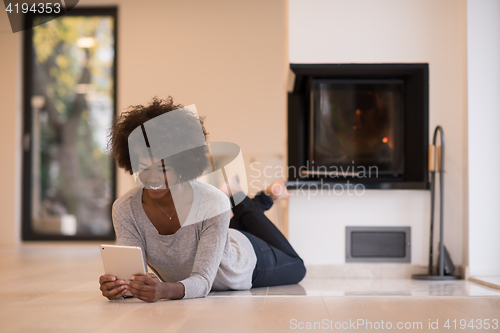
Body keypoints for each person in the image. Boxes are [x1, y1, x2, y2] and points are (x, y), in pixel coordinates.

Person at [99, 97, 306, 302]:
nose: (153, 178)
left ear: (181, 166)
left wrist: (165, 291)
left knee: (298, 267)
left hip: (244, 261)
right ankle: (250, 198)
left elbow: (204, 280)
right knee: (219, 213)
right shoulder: (125, 209)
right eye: (144, 168)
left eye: (163, 169)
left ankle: (245, 197)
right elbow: (134, 279)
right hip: (217, 233)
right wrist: (120, 287)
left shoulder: (212, 203)